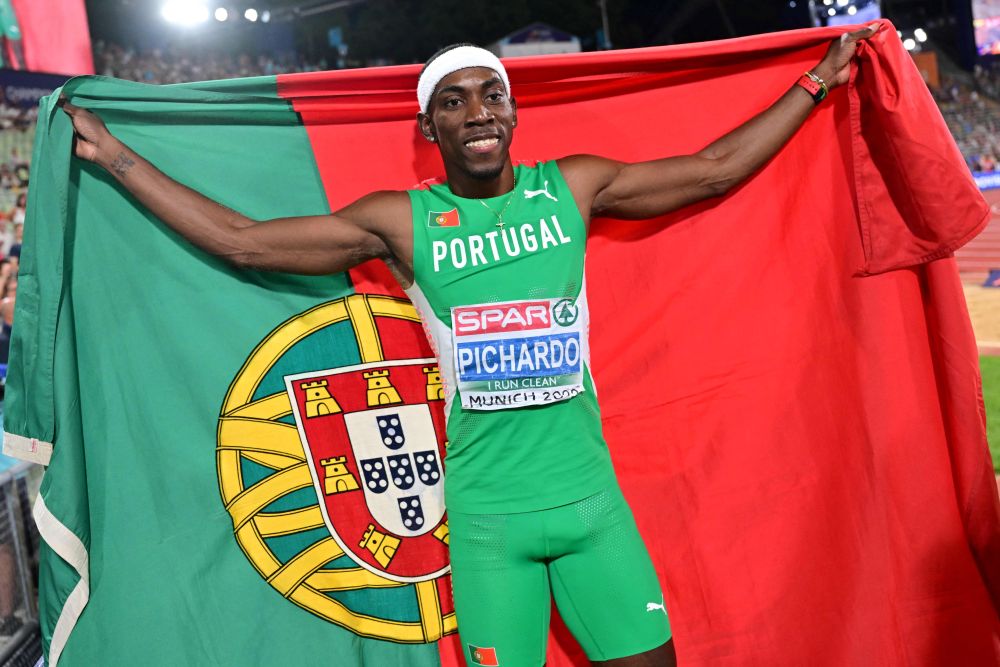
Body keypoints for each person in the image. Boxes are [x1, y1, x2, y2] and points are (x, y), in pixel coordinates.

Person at [62, 26, 877, 667]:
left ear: (514, 112)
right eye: (453, 101)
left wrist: (817, 80)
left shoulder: (575, 187)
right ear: (430, 125)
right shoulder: (400, 221)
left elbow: (710, 170)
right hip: (489, 525)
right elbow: (244, 240)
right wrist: (119, 158)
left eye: (492, 94)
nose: (477, 110)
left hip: (595, 509)